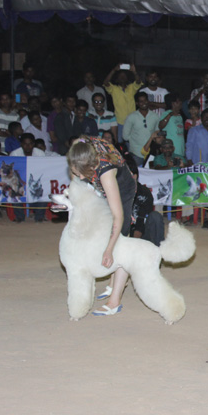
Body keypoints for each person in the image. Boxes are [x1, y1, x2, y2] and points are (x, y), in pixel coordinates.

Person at [66, 135, 136, 316]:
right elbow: (77, 181)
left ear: (92, 166)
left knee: (121, 243)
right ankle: (112, 281)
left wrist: (109, 250)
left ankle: (114, 301)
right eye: (76, 172)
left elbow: (118, 217)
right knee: (102, 229)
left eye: (82, 173)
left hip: (123, 188)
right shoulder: (78, 149)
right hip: (98, 178)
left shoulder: (106, 172)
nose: (80, 177)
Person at [124, 157, 164, 246]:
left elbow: (142, 218)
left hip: (142, 235)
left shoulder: (144, 193)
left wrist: (135, 243)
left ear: (134, 176)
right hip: (123, 237)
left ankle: (160, 250)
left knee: (155, 216)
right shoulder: (117, 192)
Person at [103, 63, 143, 142]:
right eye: (120, 76)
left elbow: (138, 82)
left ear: (127, 78)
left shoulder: (131, 87)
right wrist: (114, 70)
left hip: (132, 122)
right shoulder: (114, 89)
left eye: (124, 76)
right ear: (117, 79)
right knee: (119, 143)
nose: (122, 77)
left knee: (131, 143)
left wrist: (134, 72)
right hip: (119, 121)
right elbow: (105, 83)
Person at [123, 92, 158, 165]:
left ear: (148, 101)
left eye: (145, 100)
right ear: (137, 103)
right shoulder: (131, 117)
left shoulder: (155, 116)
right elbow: (125, 136)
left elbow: (157, 132)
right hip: (136, 153)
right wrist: (135, 140)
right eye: (141, 101)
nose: (144, 103)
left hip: (150, 154)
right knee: (136, 171)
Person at [158, 93, 185, 157]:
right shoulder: (166, 114)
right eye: (178, 101)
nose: (180, 102)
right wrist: (170, 115)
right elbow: (160, 126)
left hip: (181, 150)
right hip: (171, 151)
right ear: (173, 103)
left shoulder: (180, 116)